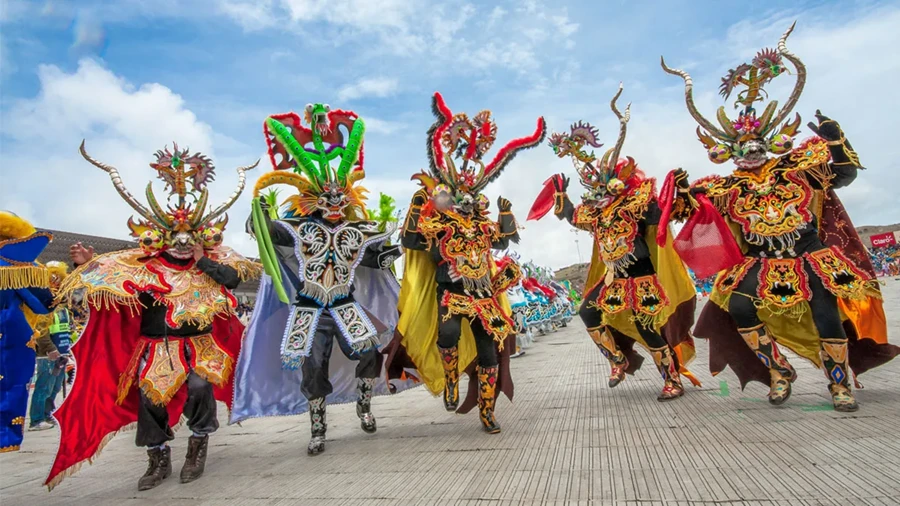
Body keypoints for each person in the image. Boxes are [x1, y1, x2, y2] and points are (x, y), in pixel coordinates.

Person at [660, 22, 899, 411]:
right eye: (741, 144)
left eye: (756, 141)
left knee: (827, 316)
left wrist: (836, 141)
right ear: (728, 149)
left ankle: (839, 384)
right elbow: (689, 215)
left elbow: (843, 176)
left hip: (810, 255)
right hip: (760, 261)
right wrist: (682, 190)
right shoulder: (726, 187)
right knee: (739, 309)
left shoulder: (797, 170)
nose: (750, 148)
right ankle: (778, 371)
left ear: (769, 141)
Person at [45, 143, 261, 490]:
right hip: (157, 348)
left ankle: (197, 447)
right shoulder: (144, 267)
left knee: (200, 388)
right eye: (175, 237)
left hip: (201, 345)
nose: (182, 243)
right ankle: (157, 457)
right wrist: (85, 265)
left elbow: (233, 279)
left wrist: (203, 260)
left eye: (189, 238)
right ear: (160, 238)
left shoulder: (211, 265)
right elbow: (107, 286)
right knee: (149, 399)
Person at [232, 103, 418, 456]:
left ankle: (364, 404)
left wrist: (400, 244)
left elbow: (377, 257)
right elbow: (265, 230)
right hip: (310, 309)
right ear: (314, 200)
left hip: (345, 304)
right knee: (312, 366)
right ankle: (318, 428)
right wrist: (258, 213)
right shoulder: (299, 228)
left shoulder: (355, 230)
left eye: (339, 197)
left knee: (369, 352)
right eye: (327, 197)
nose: (334, 201)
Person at [529, 84, 700, 401]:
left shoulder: (638, 204)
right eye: (595, 188)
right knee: (588, 312)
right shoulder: (596, 213)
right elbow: (573, 216)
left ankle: (672, 379)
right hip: (613, 280)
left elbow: (668, 213)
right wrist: (561, 193)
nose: (599, 192)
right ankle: (617, 360)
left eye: (604, 186)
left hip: (644, 278)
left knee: (648, 328)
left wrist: (682, 188)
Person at [396, 92, 545, 433]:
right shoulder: (438, 226)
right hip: (451, 295)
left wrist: (505, 214)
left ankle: (487, 412)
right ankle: (451, 379)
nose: (466, 201)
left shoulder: (482, 226)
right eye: (459, 196)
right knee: (448, 334)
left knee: (488, 354)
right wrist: (417, 206)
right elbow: (410, 241)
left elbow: (504, 240)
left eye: (471, 197)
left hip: (484, 297)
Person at [0, 211, 53, 453]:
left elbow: (42, 304)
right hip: (12, 333)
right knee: (13, 384)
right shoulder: (21, 266)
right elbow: (43, 304)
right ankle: (6, 436)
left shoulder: (19, 266)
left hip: (12, 334)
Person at [28, 261, 73, 431]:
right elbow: (40, 330)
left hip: (62, 353)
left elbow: (66, 330)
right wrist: (50, 349)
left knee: (54, 388)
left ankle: (47, 414)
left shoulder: (63, 308)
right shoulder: (44, 307)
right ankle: (36, 419)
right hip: (48, 355)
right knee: (43, 388)